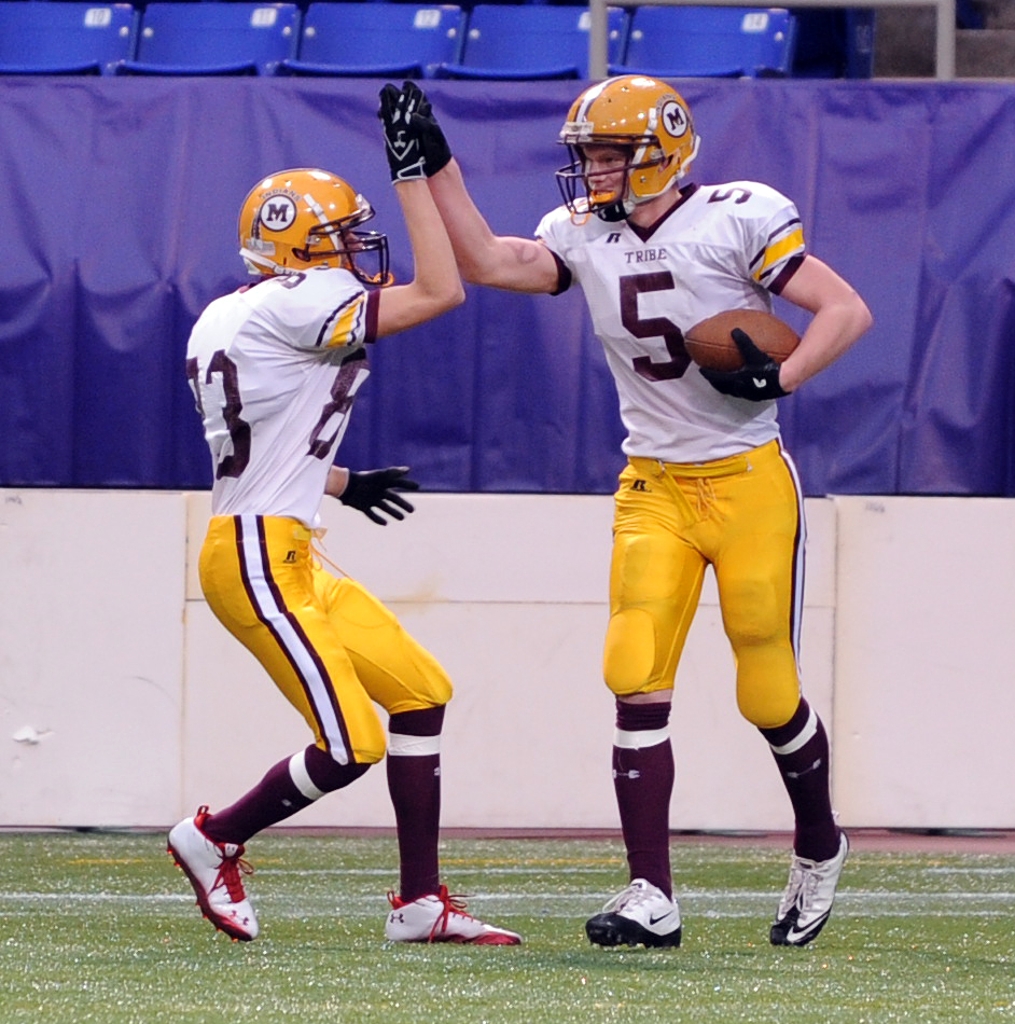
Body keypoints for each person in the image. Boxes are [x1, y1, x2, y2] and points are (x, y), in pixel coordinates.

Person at [386, 76, 873, 948]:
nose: (595, 172)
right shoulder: (579, 232)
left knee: (765, 688)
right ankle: (651, 892)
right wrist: (438, 167)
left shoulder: (735, 215)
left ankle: (818, 841)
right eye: (588, 157)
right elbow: (491, 262)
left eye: (610, 155)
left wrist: (783, 375)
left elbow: (845, 309)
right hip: (652, 483)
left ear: (664, 151)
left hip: (747, 477)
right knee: (631, 667)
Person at [167, 86, 521, 947]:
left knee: (420, 692)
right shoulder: (294, 303)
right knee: (350, 740)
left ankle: (418, 904)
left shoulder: (233, 311)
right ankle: (212, 837)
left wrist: (339, 481)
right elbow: (442, 290)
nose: (357, 251)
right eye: (337, 239)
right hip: (257, 556)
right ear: (295, 251)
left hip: (278, 542)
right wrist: (414, 171)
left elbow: (269, 438)